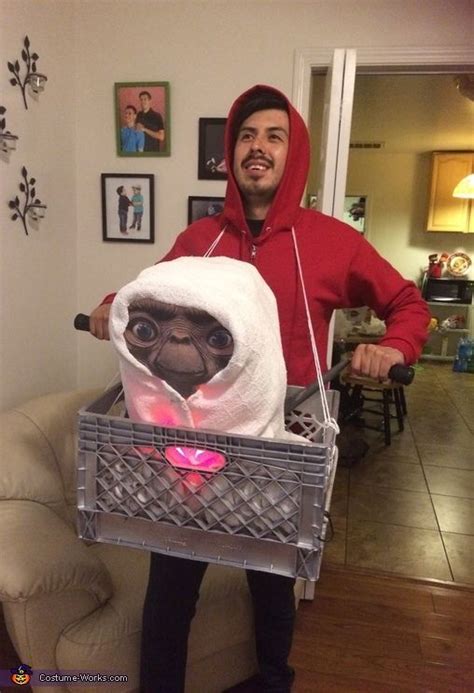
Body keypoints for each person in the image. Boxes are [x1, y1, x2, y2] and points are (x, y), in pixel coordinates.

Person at [89, 85, 430, 692]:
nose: (258, 147)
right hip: (190, 450)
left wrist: (393, 347)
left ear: (292, 152)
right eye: (247, 136)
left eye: (274, 136)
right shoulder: (200, 241)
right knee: (171, 587)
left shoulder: (331, 241)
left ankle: (273, 682)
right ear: (232, 152)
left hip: (279, 441)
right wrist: (110, 309)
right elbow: (144, 298)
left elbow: (407, 302)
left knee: (273, 584)